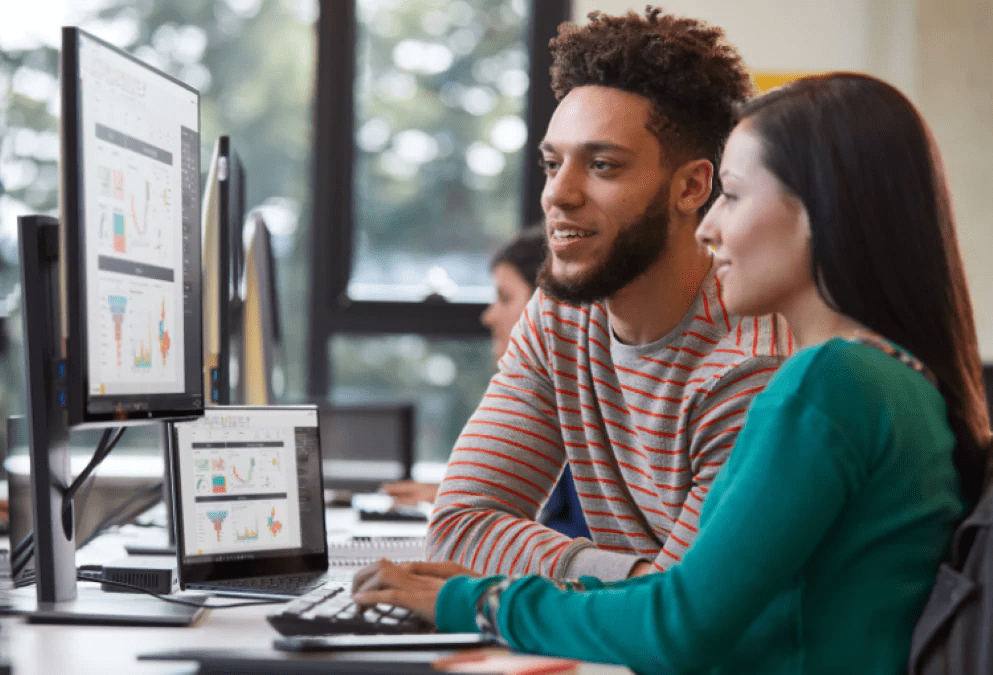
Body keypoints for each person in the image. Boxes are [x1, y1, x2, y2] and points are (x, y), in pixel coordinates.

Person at [352, 71, 992, 674]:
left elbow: (675, 623)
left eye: (733, 198)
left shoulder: (827, 384)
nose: (710, 227)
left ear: (817, 214)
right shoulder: (890, 378)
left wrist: (479, 602)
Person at [423, 8, 788, 582]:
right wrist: (626, 577)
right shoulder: (561, 316)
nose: (558, 195)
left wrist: (613, 585)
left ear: (693, 186)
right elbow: (458, 528)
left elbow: (685, 613)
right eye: (551, 164)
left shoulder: (749, 364)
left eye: (601, 166)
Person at [383, 226, 592, 538]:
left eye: (505, 298)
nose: (488, 316)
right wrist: (464, 497)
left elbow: (577, 536)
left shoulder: (588, 410)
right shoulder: (556, 396)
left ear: (549, 306)